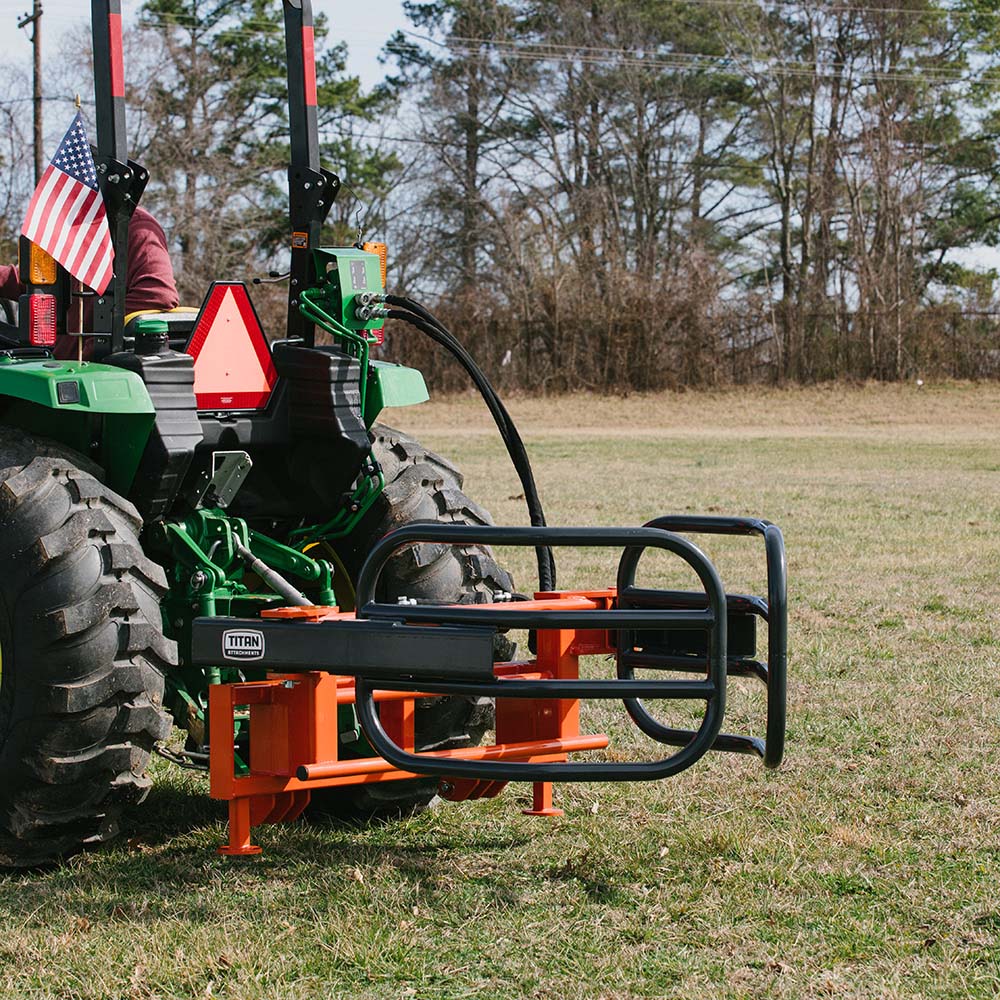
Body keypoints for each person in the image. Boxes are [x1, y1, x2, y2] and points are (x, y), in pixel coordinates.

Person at [0, 205, 179, 358]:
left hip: (90, 369)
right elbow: (42, 282)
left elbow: (158, 293)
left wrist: (97, 341)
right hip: (59, 359)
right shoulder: (82, 226)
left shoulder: (135, 225)